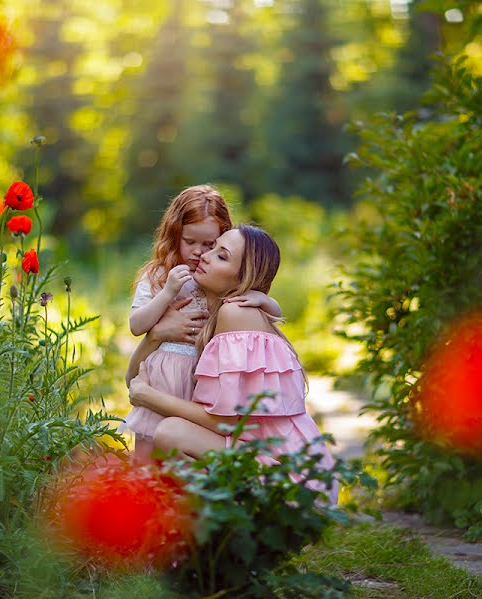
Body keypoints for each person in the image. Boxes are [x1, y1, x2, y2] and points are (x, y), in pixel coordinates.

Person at [128, 225, 337, 504]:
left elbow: (225, 423)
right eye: (212, 247)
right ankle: (203, 528)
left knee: (169, 433)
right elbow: (131, 378)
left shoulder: (235, 314)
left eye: (221, 256)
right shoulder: (217, 315)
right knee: (169, 434)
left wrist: (149, 397)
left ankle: (223, 528)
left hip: (291, 477)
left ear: (243, 277)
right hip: (263, 456)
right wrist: (155, 336)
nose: (204, 255)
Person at [124, 186, 281, 460]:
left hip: (197, 383)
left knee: (176, 452)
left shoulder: (221, 285)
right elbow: (137, 326)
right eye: (190, 241)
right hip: (161, 376)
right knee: (146, 461)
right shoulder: (161, 277)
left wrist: (260, 297)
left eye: (210, 245)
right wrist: (167, 295)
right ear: (174, 235)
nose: (199, 252)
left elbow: (275, 314)